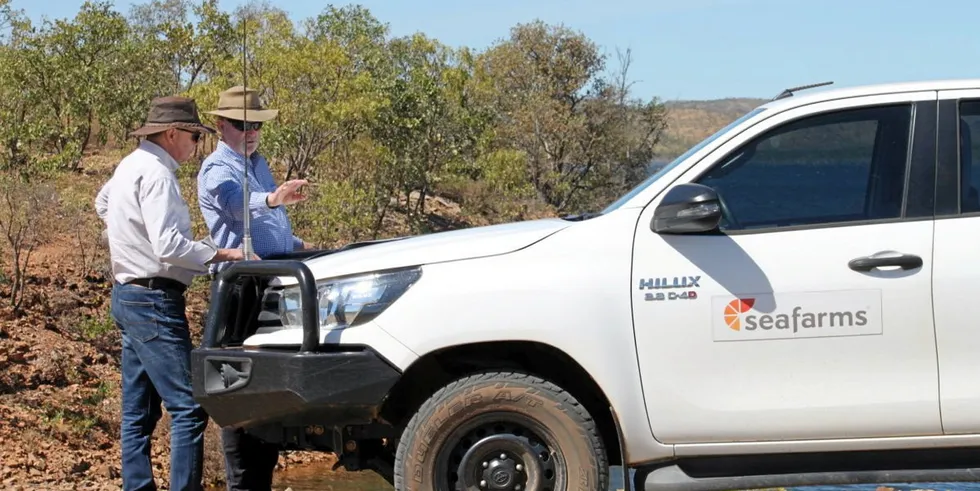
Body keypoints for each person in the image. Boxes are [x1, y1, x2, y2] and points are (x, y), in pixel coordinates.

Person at [95, 96, 247, 491]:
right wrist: (219, 252)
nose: (196, 144)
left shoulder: (129, 165)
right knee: (189, 408)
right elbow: (168, 245)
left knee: (138, 412)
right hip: (153, 299)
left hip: (129, 294)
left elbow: (103, 203)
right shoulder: (159, 173)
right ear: (172, 133)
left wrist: (125, 238)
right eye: (195, 135)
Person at [197, 85, 310, 490]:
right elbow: (234, 204)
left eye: (257, 125)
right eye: (243, 124)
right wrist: (275, 199)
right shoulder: (216, 168)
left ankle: (260, 476)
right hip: (241, 287)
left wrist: (296, 245)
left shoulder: (258, 163)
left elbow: (264, 224)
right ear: (221, 125)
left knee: (265, 380)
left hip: (272, 281)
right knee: (237, 381)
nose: (252, 132)